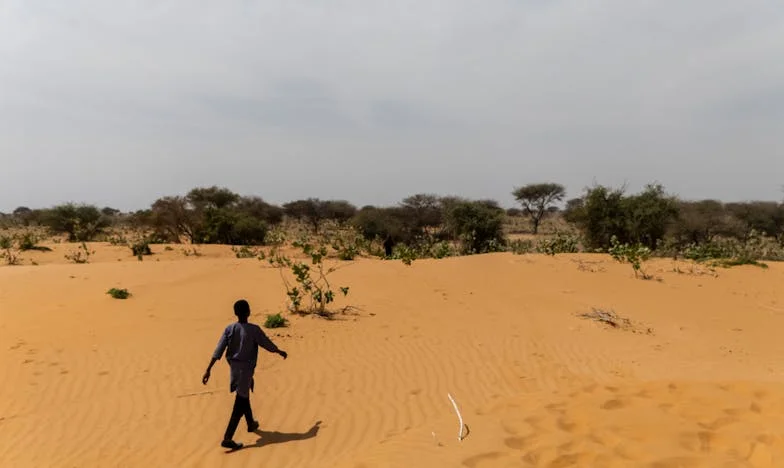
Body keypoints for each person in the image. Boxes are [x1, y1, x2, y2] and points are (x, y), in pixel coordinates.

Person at [202, 299, 288, 450]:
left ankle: (251, 424)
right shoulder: (254, 329)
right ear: (249, 312)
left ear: (235, 313)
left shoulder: (229, 329)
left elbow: (219, 350)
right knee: (240, 402)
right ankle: (228, 438)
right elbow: (266, 343)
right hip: (246, 369)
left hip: (234, 369)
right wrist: (279, 351)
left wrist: (208, 369)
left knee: (244, 394)